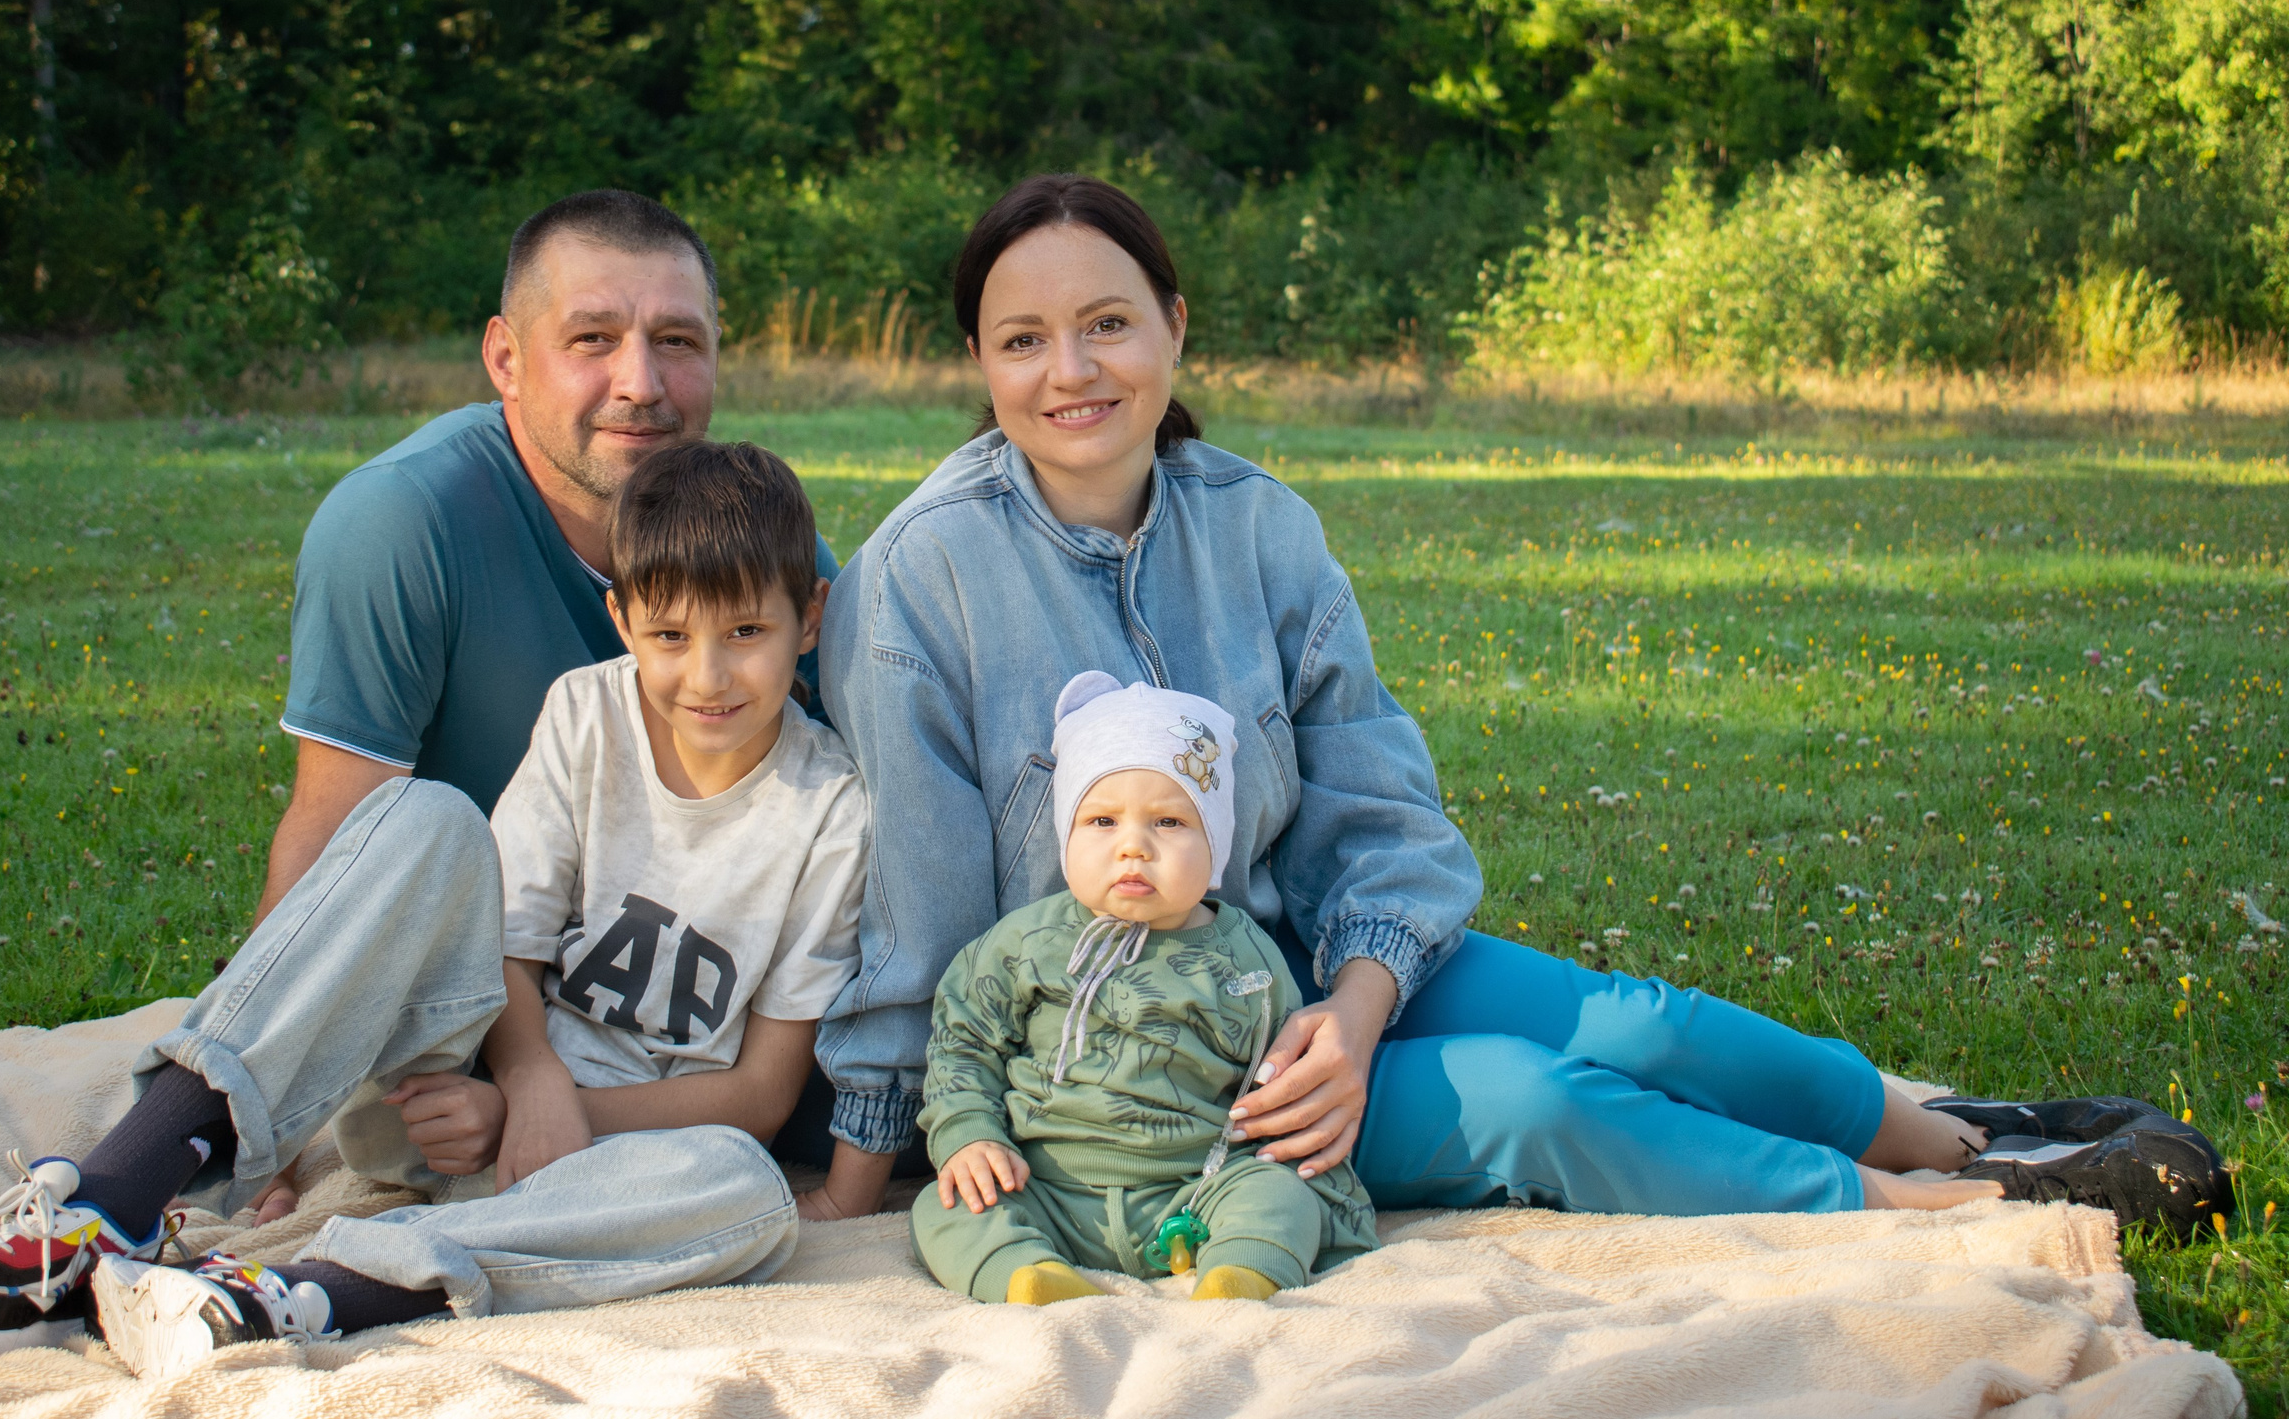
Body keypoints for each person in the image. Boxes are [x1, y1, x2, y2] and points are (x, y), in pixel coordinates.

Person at [802, 171, 2231, 1236]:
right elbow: (919, 920)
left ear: (1174, 327)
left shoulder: (1261, 528)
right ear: (980, 365)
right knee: (1530, 1098)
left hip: (1316, 967)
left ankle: (1969, 1139)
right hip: (1144, 1072)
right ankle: (1941, 1213)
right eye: (1023, 339)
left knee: (1633, 1021)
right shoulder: (921, 583)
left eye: (1108, 323)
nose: (1072, 371)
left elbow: (1380, 808)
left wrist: (1356, 1017)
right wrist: (874, 1162)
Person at [0, 441, 867, 1372]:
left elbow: (760, 1095)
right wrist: (522, 1081)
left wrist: (547, 1117)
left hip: (609, 1171)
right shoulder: (586, 712)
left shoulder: (830, 811)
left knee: (746, 1192)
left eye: (747, 632)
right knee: (423, 816)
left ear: (807, 620)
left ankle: (294, 1295)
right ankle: (102, 1208)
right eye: (671, 635)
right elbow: (508, 947)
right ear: (622, 622)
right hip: (440, 1097)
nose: (709, 673)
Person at [256, 187, 838, 1215]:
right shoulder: (400, 524)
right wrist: (275, 1133)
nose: (641, 383)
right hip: (462, 990)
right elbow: (332, 836)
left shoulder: (758, 569)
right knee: (422, 831)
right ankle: (169, 1143)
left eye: (677, 341)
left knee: (747, 1185)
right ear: (505, 359)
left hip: (664, 1033)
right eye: (592, 339)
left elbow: (824, 816)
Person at [911, 674, 1377, 1306]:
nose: (1133, 845)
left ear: (1214, 841)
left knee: (1275, 1194)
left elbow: (1275, 1083)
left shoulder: (1246, 958)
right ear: (1067, 835)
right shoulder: (1023, 945)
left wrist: (1306, 1177)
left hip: (1196, 1185)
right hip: (1044, 1184)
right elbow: (962, 1044)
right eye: (1101, 820)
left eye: (1169, 820)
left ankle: (1240, 1270)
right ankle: (1026, 1274)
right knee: (946, 1205)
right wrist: (969, 1134)